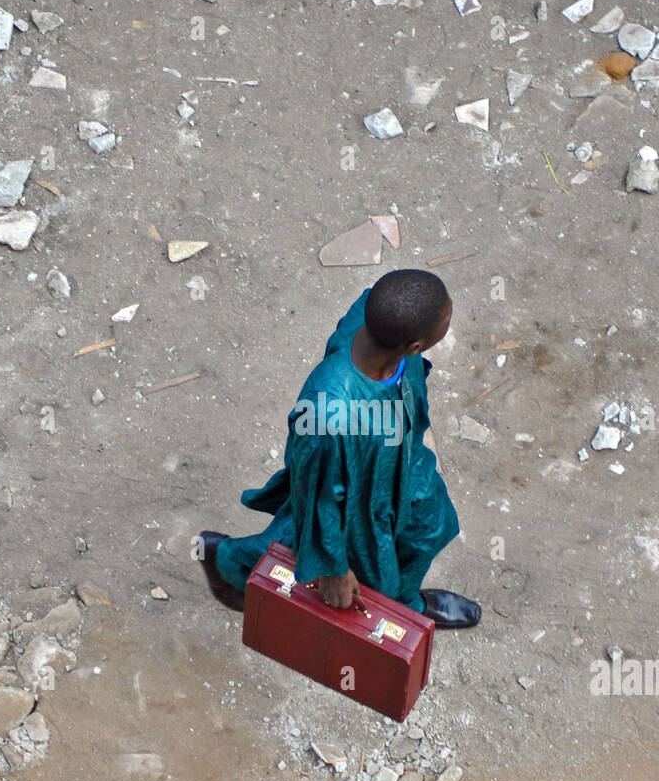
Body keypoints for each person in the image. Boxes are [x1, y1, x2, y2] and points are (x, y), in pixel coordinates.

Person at [198, 268, 481, 628]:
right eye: (447, 317)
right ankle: (228, 562)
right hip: (356, 497)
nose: (450, 316)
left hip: (404, 467)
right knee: (359, 564)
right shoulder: (327, 416)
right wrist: (332, 566)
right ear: (415, 347)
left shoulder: (381, 326)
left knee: (430, 527)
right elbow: (314, 495)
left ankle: (404, 600)